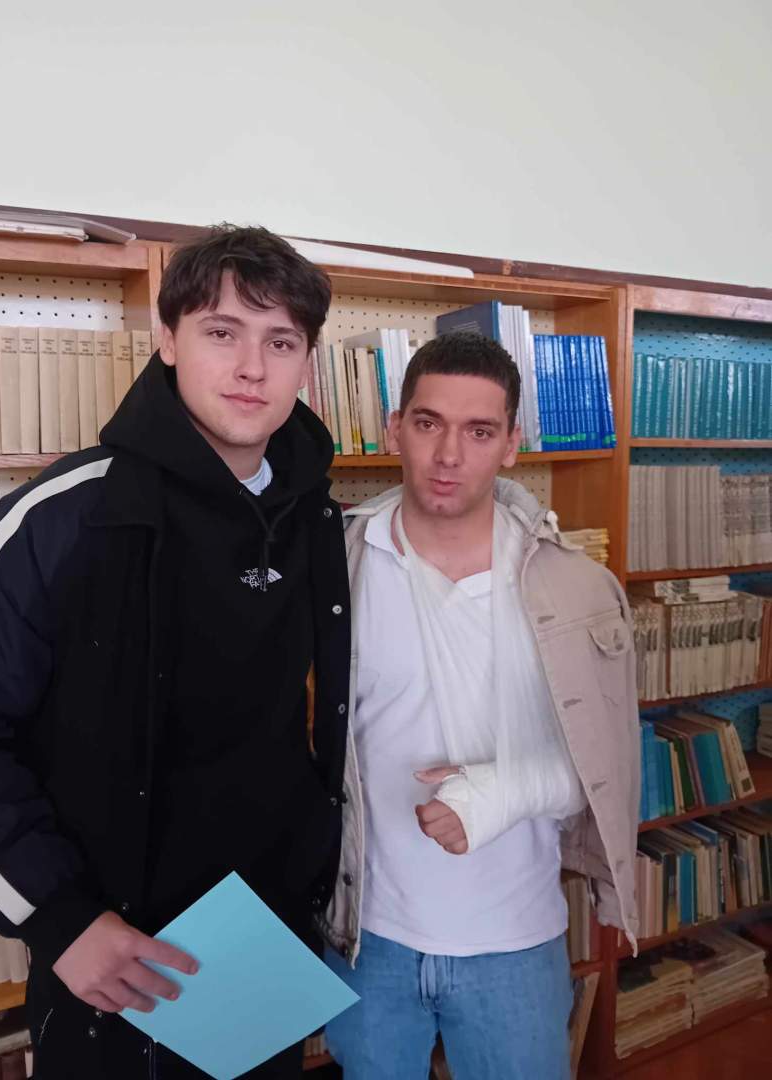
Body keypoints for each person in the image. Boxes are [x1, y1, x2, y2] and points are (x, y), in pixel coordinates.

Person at [0, 225, 350, 1079]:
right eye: (222, 332)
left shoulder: (322, 523)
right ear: (168, 340)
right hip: (109, 965)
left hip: (264, 959)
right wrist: (59, 919)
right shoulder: (63, 518)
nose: (251, 368)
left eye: (280, 342)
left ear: (306, 364)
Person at [321, 331, 640, 1079]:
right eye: (428, 423)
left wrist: (499, 792)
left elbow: (608, 766)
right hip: (368, 938)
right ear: (395, 428)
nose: (448, 455)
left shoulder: (578, 591)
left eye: (479, 431)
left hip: (514, 942)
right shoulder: (335, 570)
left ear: (512, 445)